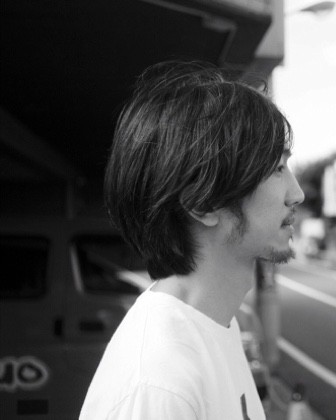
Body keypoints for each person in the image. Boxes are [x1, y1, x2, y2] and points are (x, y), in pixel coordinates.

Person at [79, 61, 304, 420]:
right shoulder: (160, 385)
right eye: (277, 168)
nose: (297, 194)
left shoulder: (216, 324)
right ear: (204, 203)